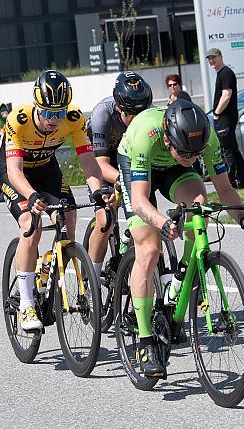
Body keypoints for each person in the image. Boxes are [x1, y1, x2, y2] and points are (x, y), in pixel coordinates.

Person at [117, 100, 244, 377]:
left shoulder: (204, 139)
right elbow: (138, 200)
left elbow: (225, 189)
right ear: (168, 136)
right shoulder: (144, 135)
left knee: (199, 205)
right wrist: (161, 223)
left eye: (196, 154)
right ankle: (146, 342)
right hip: (137, 166)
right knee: (149, 249)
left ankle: (179, 280)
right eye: (186, 152)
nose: (193, 158)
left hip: (172, 169)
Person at [0, 70, 112, 331]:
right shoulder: (19, 119)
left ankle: (50, 265)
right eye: (48, 113)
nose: (53, 119)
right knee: (31, 223)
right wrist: (32, 196)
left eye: (58, 113)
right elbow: (14, 172)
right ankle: (27, 304)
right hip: (15, 171)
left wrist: (96, 192)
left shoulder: (74, 119)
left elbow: (89, 164)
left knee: (69, 215)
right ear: (36, 106)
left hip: (46, 169)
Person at [86, 71, 153, 276]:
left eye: (140, 115)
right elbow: (100, 165)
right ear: (118, 106)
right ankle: (92, 282)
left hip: (131, 161)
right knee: (106, 221)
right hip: (105, 162)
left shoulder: (146, 113)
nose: (136, 121)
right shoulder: (102, 114)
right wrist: (123, 180)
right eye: (130, 115)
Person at [206, 47, 244, 189]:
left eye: (214, 57)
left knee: (227, 150)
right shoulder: (221, 74)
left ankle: (231, 182)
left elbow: (226, 95)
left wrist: (217, 113)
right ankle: (243, 181)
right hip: (225, 117)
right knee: (233, 149)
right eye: (209, 58)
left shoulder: (226, 73)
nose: (211, 60)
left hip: (226, 117)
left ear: (220, 57)